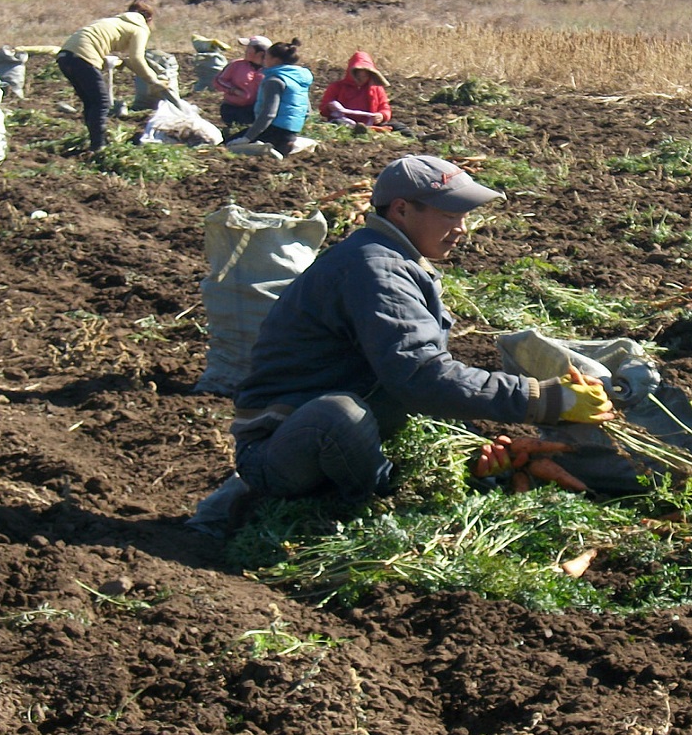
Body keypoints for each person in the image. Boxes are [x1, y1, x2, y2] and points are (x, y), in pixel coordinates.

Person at [188, 155, 615, 535]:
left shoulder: (396, 260)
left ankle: (382, 482)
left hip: (351, 424)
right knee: (336, 416)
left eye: (466, 216)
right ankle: (377, 507)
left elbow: (414, 377)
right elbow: (422, 377)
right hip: (283, 443)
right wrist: (542, 399)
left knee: (352, 413)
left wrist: (468, 451)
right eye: (451, 215)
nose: (462, 229)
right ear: (402, 209)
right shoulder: (375, 269)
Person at [56, 0, 174, 152]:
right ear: (149, 18)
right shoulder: (140, 28)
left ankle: (96, 141)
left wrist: (121, 63)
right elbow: (137, 58)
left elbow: (118, 55)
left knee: (91, 102)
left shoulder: (115, 22)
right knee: (101, 102)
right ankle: (99, 146)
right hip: (83, 57)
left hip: (65, 57)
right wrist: (153, 81)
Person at [227, 37, 311, 156]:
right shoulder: (300, 78)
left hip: (273, 129)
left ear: (275, 60)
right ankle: (287, 144)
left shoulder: (274, 80)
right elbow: (307, 111)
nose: (264, 60)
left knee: (229, 145)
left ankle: (267, 149)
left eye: (266, 57)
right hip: (292, 131)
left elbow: (269, 114)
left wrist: (247, 137)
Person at [319, 50, 393, 129]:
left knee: (398, 127)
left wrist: (382, 115)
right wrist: (329, 107)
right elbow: (323, 110)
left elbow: (385, 107)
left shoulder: (377, 89)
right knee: (336, 124)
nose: (361, 80)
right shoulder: (336, 87)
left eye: (364, 76)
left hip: (370, 124)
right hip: (343, 123)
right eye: (358, 77)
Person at [212, 35, 269, 130]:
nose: (245, 51)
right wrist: (233, 90)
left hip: (255, 110)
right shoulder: (236, 65)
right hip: (232, 108)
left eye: (249, 48)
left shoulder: (269, 70)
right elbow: (219, 80)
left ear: (260, 53)